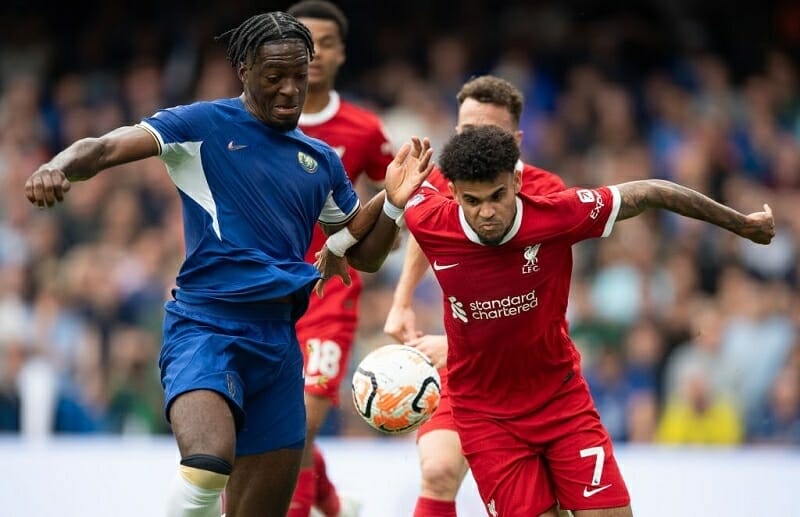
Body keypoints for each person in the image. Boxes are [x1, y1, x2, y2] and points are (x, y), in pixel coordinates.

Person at [23, 11, 432, 517]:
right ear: (244, 70)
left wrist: (391, 204)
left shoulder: (320, 160)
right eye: (274, 77)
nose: (289, 91)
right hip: (206, 329)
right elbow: (105, 147)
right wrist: (54, 166)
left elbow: (363, 255)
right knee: (207, 465)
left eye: (298, 78)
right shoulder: (200, 125)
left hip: (280, 345)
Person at [354, 124, 773, 516]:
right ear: (455, 194)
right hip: (485, 416)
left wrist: (740, 224)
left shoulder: (558, 214)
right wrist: (389, 206)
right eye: (472, 200)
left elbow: (651, 192)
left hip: (561, 401)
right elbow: (369, 258)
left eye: (497, 196)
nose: (486, 212)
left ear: (517, 182)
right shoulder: (430, 218)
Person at [383, 75, 565, 517]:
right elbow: (428, 230)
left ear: (516, 140)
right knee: (439, 470)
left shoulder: (546, 194)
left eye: (489, 132)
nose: (475, 142)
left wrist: (456, 345)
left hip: (530, 377)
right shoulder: (450, 180)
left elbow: (534, 299)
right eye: (465, 132)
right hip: (466, 370)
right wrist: (402, 299)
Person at [285, 2, 394, 516]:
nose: (315, 53)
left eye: (326, 42)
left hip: (328, 291)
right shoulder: (247, 121)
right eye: (304, 41)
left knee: (300, 421)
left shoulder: (363, 129)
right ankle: (333, 506)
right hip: (263, 292)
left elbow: (405, 192)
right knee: (273, 424)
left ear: (341, 52)